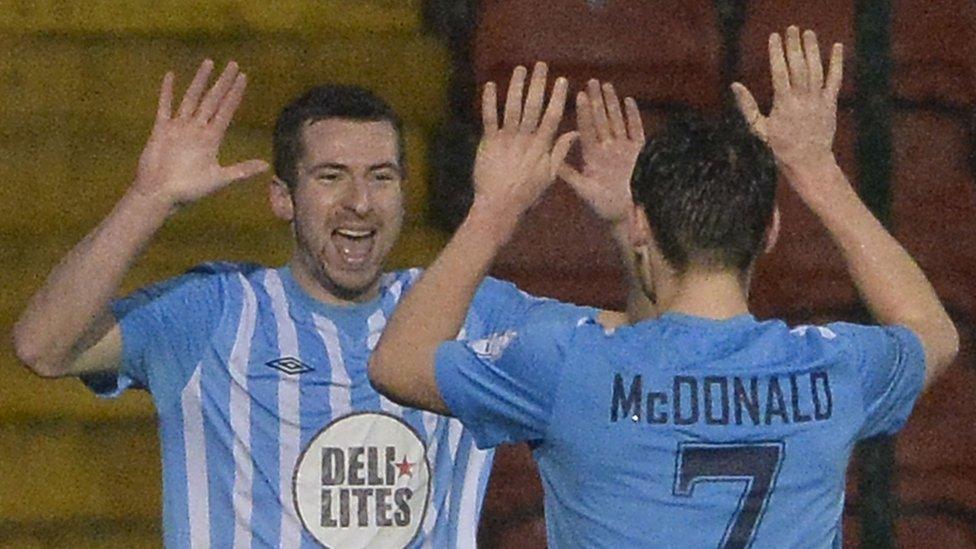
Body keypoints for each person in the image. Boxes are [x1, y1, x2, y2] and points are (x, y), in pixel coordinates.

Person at [369, 27, 959, 548]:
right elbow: (932, 330)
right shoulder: (833, 371)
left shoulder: (565, 365)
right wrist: (818, 172)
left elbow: (397, 363)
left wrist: (493, 211)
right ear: (771, 231)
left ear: (643, 223)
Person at [11, 59, 634, 548]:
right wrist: (148, 198)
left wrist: (634, 228)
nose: (360, 202)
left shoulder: (473, 312)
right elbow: (42, 346)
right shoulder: (214, 311)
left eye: (381, 176)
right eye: (331, 176)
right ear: (283, 198)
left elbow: (651, 350)